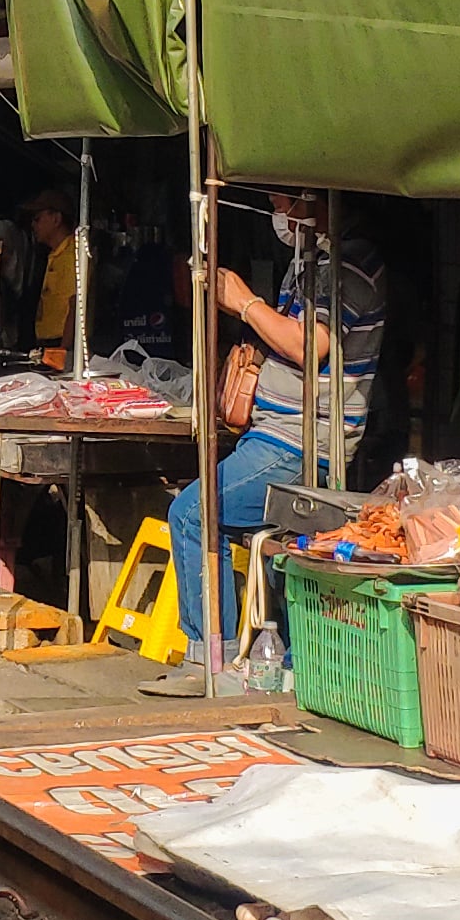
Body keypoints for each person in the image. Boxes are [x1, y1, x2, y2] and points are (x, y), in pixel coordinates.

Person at [140, 191, 382, 698]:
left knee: (194, 513)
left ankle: (212, 660)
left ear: (310, 200)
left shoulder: (349, 265)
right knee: (250, 536)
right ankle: (251, 659)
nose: (277, 212)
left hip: (298, 442)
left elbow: (308, 345)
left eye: (283, 200)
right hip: (273, 430)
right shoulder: (310, 260)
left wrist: (246, 303)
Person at [27, 189, 80, 372]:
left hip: (60, 346)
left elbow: (76, 304)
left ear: (56, 219)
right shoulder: (55, 254)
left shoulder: (72, 254)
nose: (33, 225)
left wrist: (63, 351)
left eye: (38, 219)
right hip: (49, 345)